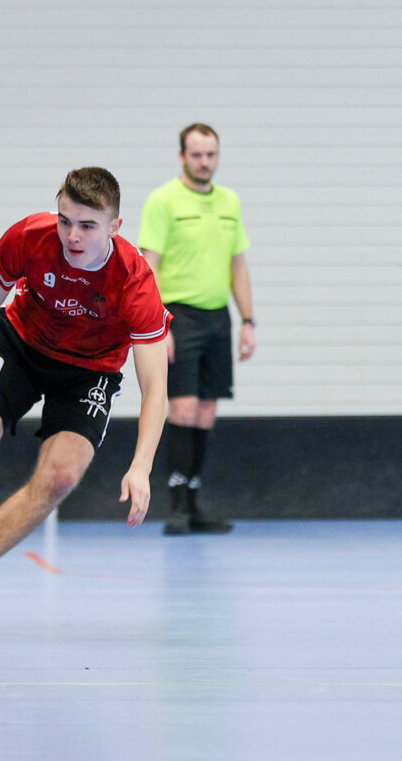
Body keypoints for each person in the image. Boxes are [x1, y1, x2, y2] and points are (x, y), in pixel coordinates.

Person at [0, 168, 170, 635]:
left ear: (115, 226)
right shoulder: (28, 238)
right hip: (21, 347)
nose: (72, 235)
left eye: (87, 225)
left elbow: (155, 389)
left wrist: (141, 466)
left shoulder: (135, 282)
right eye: (66, 220)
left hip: (89, 372)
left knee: (60, 476)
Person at [138, 123, 255, 536]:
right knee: (183, 409)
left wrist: (248, 321)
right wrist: (158, 323)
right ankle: (176, 509)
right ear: (182, 157)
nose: (205, 162)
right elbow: (148, 265)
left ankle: (194, 504)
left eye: (211, 154)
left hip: (217, 318)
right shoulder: (163, 201)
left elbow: (238, 265)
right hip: (179, 316)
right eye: (197, 155)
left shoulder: (229, 202)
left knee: (206, 413)